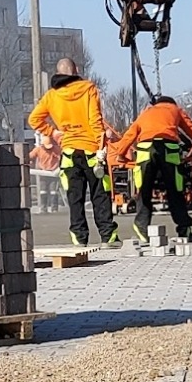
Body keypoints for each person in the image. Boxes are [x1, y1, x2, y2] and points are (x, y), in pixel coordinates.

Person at [27, 58, 120, 247]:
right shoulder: (89, 89)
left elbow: (34, 119)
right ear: (76, 70)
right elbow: (95, 119)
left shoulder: (51, 96)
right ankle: (108, 237)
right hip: (92, 151)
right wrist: (101, 145)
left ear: (58, 72)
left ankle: (79, 239)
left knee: (75, 199)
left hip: (69, 153)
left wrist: (52, 132)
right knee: (100, 195)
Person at [114, 94, 192, 242]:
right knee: (175, 191)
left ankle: (142, 228)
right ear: (172, 103)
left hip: (145, 150)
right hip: (168, 150)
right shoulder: (175, 110)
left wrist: (120, 154)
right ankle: (184, 230)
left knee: (144, 191)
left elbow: (130, 134)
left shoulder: (146, 113)